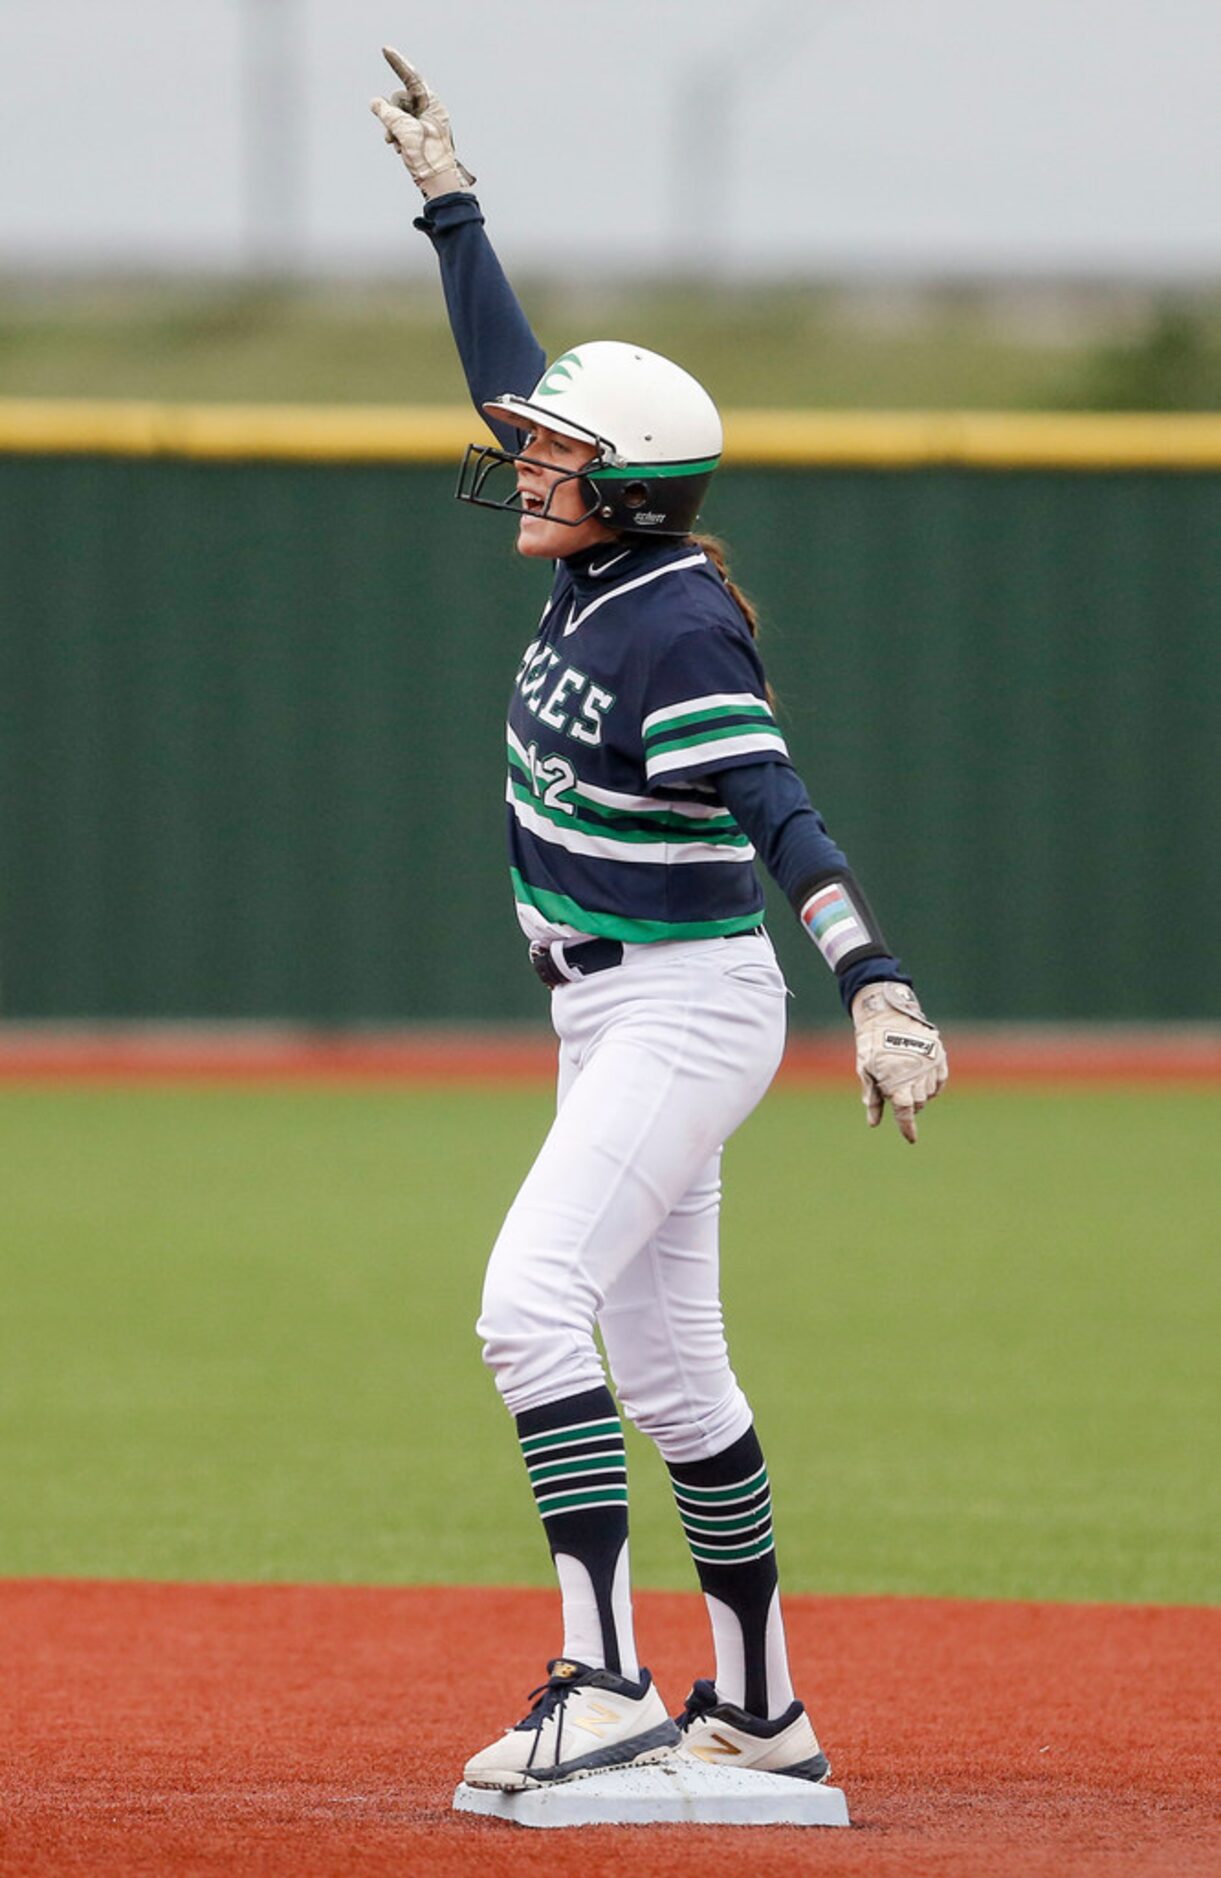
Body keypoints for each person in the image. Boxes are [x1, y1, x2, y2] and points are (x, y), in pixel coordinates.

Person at [370, 49, 947, 1794]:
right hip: (620, 1012)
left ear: (617, 490)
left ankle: (604, 1681)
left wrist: (880, 979)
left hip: (683, 1007)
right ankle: (763, 1711)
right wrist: (451, 211)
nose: (519, 455)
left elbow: (783, 813)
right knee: (671, 1372)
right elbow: (504, 376)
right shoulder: (609, 559)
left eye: (552, 454)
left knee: (527, 1305)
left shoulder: (670, 629)